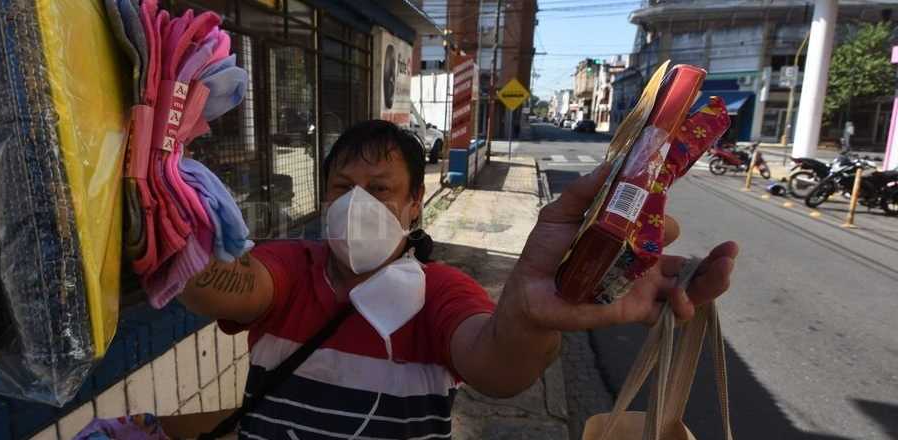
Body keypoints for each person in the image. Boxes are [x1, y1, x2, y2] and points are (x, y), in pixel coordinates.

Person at [180, 120, 738, 439]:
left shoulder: (437, 292)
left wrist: (527, 314)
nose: (355, 204)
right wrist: (166, 222)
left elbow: (495, 368)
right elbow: (226, 286)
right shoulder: (290, 268)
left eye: (379, 189)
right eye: (340, 187)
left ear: (415, 204)